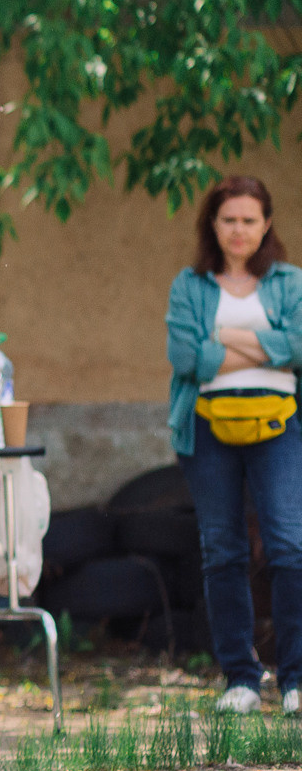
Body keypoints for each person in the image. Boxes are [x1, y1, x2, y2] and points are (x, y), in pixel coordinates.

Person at [166, 176, 301, 715]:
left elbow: (300, 346)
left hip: (281, 426)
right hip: (206, 426)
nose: (239, 230)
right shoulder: (191, 284)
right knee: (223, 551)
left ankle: (295, 681)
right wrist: (271, 349)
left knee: (289, 546)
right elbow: (185, 358)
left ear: (266, 223)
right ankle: (241, 680)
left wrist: (223, 339)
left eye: (249, 220)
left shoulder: (290, 282)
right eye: (229, 220)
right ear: (213, 225)